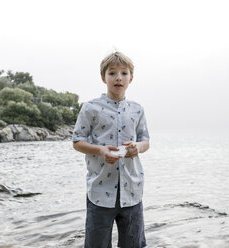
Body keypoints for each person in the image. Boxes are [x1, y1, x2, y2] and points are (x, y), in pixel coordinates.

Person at [72, 51, 150, 248]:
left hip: (132, 190)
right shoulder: (90, 108)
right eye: (112, 73)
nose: (118, 77)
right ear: (103, 77)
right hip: (99, 190)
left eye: (124, 73)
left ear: (131, 78)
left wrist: (137, 148)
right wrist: (101, 151)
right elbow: (77, 141)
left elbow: (145, 140)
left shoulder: (137, 109)